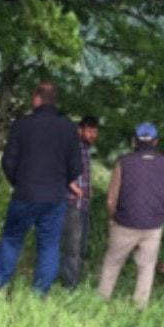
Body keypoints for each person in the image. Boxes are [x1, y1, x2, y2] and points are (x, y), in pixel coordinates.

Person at [0, 81, 83, 296]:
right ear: (55, 101)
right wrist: (61, 183)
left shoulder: (22, 125)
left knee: (12, 239)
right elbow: (76, 166)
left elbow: (8, 161)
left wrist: (18, 182)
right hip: (55, 197)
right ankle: (39, 293)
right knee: (49, 245)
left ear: (37, 98)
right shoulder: (69, 128)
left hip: (25, 193)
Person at [97, 122, 164, 308]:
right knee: (146, 268)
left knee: (112, 263)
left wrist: (112, 217)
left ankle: (101, 301)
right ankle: (140, 307)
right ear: (156, 142)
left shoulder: (123, 162)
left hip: (124, 223)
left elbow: (112, 198)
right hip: (153, 226)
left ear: (134, 141)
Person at [59, 116, 100, 289]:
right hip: (71, 203)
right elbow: (60, 168)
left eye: (95, 132)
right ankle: (69, 287)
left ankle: (69, 281)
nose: (93, 135)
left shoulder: (85, 149)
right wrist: (74, 187)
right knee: (73, 247)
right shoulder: (72, 146)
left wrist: (87, 191)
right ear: (79, 129)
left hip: (83, 205)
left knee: (80, 247)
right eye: (89, 131)